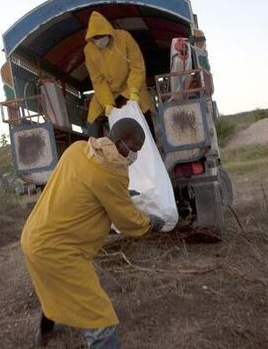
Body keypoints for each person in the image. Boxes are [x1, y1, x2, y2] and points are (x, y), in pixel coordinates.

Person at [20, 117, 165, 348]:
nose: (133, 156)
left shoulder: (77, 149)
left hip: (33, 237)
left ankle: (44, 336)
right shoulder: (113, 172)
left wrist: (121, 193)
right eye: (133, 150)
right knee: (100, 319)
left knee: (56, 289)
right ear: (121, 144)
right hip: (58, 252)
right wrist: (150, 223)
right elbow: (127, 221)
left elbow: (86, 185)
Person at [83, 11, 155, 137]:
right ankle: (94, 151)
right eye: (96, 38)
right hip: (109, 91)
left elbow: (137, 67)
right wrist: (107, 103)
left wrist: (133, 91)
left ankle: (152, 142)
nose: (99, 40)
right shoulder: (88, 50)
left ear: (108, 32)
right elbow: (98, 81)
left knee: (144, 112)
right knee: (92, 122)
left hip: (130, 87)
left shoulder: (124, 37)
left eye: (101, 36)